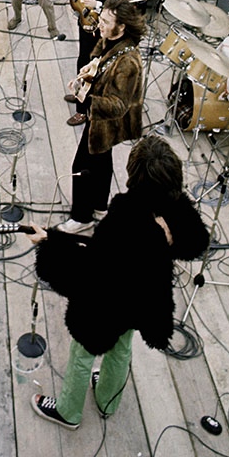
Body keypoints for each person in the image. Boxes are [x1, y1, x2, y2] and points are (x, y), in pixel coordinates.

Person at [24, 135, 209, 429]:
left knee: (83, 353)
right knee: (121, 348)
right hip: (142, 298)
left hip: (109, 302)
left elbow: (89, 272)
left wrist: (49, 243)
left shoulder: (124, 217)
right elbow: (197, 239)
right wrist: (169, 239)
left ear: (134, 174)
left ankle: (68, 412)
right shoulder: (173, 205)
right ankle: (107, 402)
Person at [56, 0, 145, 234]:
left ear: (122, 27)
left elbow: (118, 106)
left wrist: (87, 99)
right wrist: (90, 66)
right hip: (101, 119)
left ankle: (81, 216)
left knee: (81, 166)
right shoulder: (112, 39)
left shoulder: (129, 62)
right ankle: (99, 206)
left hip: (108, 121)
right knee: (102, 161)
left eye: (105, 22)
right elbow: (100, 53)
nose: (100, 25)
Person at [52, 0, 132, 128]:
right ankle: (80, 94)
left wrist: (97, 4)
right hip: (86, 23)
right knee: (82, 59)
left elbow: (123, 9)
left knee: (93, 68)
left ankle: (84, 111)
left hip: (103, 29)